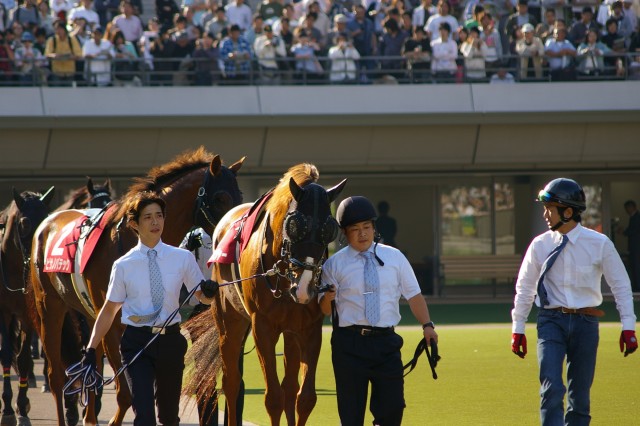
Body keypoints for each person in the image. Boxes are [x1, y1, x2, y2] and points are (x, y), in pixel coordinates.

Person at [81, 191, 219, 426]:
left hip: (171, 343)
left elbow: (203, 300)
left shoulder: (183, 258)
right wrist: (91, 348)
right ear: (134, 224)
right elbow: (109, 309)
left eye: (159, 215)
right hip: (136, 344)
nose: (156, 222)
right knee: (144, 417)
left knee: (168, 418)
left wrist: (209, 291)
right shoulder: (123, 265)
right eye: (148, 217)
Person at [511, 178, 637, 426]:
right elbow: (525, 287)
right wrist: (518, 328)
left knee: (580, 396)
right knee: (551, 386)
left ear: (568, 211)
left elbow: (620, 285)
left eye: (550, 208)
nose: (545, 214)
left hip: (586, 322)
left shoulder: (600, 244)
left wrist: (628, 326)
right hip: (550, 320)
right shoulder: (540, 245)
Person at [319, 196, 438, 426]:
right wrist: (328, 297)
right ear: (345, 232)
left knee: (393, 409)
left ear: (374, 227)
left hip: (386, 343)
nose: (362, 233)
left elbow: (413, 295)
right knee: (351, 416)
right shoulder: (333, 265)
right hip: (349, 345)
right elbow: (324, 310)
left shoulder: (394, 257)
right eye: (355, 229)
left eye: (366, 227)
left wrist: (427, 325)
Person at [623, 199, 640, 292]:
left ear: (632, 207)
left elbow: (635, 231)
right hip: (634, 248)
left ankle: (638, 287)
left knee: (636, 266)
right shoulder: (633, 217)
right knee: (633, 266)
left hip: (637, 247)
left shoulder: (637, 217)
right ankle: (635, 286)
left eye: (627, 208)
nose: (627, 210)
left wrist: (625, 232)